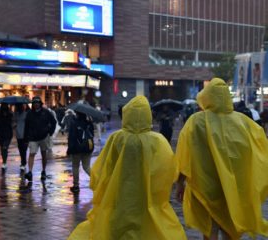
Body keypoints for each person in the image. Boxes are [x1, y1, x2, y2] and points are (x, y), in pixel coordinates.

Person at [68, 95, 186, 239]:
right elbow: (168, 169)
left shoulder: (116, 138)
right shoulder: (158, 141)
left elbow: (103, 168)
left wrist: (101, 187)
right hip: (146, 196)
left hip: (119, 195)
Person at [175, 78, 268, 239]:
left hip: (206, 186)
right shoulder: (244, 123)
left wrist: (180, 183)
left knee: (209, 230)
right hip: (234, 187)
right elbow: (260, 151)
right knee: (230, 229)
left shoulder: (196, 122)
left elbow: (185, 154)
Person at [24, 96, 56, 183]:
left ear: (40, 103)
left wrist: (50, 132)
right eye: (34, 103)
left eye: (37, 103)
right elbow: (26, 126)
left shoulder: (46, 112)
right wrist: (26, 138)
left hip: (44, 136)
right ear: (33, 104)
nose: (36, 104)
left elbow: (53, 122)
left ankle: (43, 171)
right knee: (32, 153)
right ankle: (30, 172)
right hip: (33, 137)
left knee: (43, 154)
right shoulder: (29, 113)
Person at [67, 111, 94, 193]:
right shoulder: (89, 123)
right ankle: (98, 180)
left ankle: (76, 186)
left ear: (77, 114)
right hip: (87, 147)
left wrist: (69, 149)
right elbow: (92, 134)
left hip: (76, 149)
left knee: (75, 167)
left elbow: (71, 137)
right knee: (87, 167)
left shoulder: (74, 123)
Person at [0, 103, 13, 173]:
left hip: (8, 134)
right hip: (1, 134)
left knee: (5, 147)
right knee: (2, 148)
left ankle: (4, 162)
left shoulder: (10, 115)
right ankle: (4, 161)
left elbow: (12, 123)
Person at [14, 103, 29, 172]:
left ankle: (23, 162)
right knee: (21, 149)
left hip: (25, 134)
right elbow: (13, 122)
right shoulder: (15, 114)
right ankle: (23, 162)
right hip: (18, 134)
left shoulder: (26, 114)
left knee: (23, 149)